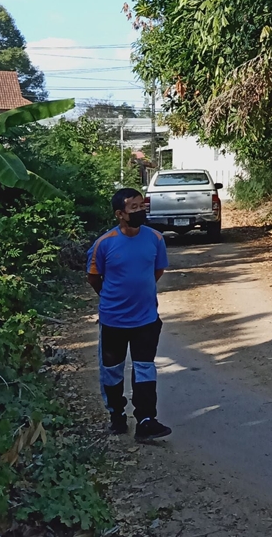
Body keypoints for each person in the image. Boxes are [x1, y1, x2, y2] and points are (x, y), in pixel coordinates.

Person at [87, 187, 172, 442]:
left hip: (146, 319)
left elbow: (157, 271)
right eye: (133, 207)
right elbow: (94, 277)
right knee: (112, 371)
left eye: (142, 205)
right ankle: (117, 415)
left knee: (145, 368)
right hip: (114, 320)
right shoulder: (105, 243)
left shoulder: (155, 238)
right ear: (120, 214)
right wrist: (111, 298)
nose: (140, 211)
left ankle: (146, 420)